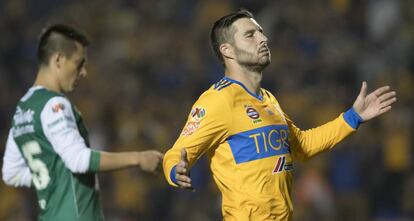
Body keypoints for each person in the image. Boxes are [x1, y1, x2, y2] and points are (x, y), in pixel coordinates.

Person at [163, 10, 397, 221]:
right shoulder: (218, 100)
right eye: (250, 35)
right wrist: (177, 170)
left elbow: (302, 146)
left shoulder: (269, 100)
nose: (263, 39)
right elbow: (176, 153)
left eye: (261, 33)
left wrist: (353, 117)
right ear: (227, 50)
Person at [2, 24, 164, 221]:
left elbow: (11, 172)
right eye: (79, 63)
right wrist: (138, 158)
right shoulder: (54, 105)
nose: (84, 72)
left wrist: (51, 177)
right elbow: (79, 160)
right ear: (58, 60)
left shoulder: (23, 109)